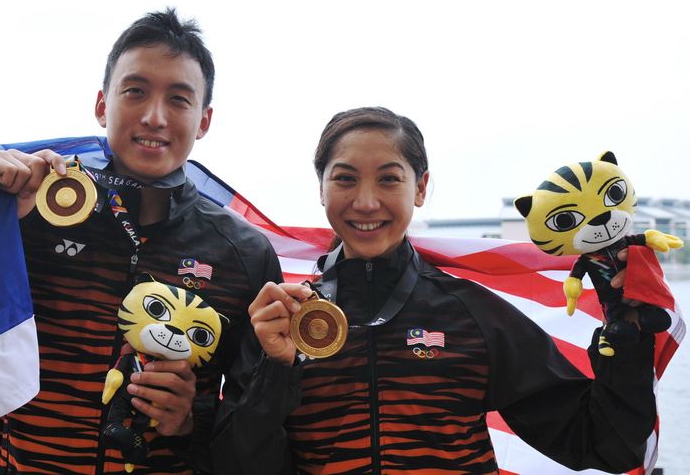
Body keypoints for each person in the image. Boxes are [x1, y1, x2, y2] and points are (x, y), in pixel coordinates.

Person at [212, 106, 661, 474]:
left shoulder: (473, 315)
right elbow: (235, 465)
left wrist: (627, 336)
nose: (366, 201)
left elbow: (603, 445)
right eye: (345, 178)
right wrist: (277, 370)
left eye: (389, 178)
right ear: (322, 188)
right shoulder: (284, 323)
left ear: (421, 187)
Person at [0, 8, 281, 475]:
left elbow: (254, 428)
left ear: (204, 120)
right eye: (135, 91)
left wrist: (189, 420)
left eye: (179, 100)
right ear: (103, 104)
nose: (154, 116)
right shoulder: (32, 211)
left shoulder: (244, 253)